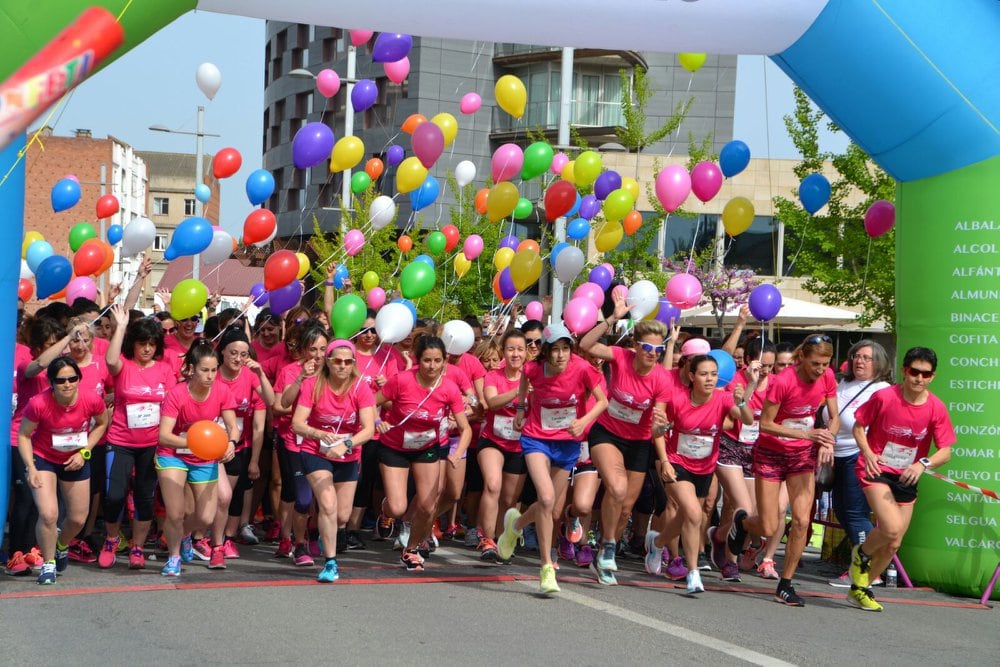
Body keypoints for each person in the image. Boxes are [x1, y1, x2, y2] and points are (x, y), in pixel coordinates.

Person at [497, 323, 608, 595]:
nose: (560, 355)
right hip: (536, 438)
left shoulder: (582, 368)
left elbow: (603, 401)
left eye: (565, 349)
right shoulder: (534, 369)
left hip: (568, 442)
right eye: (555, 350)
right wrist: (521, 410)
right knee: (546, 498)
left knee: (552, 507)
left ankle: (516, 525)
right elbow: (524, 385)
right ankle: (546, 566)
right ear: (546, 352)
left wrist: (583, 421)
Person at [728, 334, 838, 606]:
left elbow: (834, 418)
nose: (820, 369)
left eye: (825, 363)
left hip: (801, 457)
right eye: (815, 363)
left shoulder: (827, 377)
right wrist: (807, 435)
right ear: (801, 359)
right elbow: (765, 424)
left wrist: (828, 439)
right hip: (771, 454)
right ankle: (742, 522)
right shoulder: (784, 381)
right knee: (768, 525)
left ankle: (786, 584)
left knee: (801, 521)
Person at [847, 347, 955, 612]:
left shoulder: (936, 408)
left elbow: (946, 451)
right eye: (914, 372)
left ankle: (860, 589)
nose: (919, 378)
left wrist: (922, 464)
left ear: (932, 376)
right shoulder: (885, 397)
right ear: (904, 371)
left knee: (894, 543)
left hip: (907, 475)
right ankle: (861, 554)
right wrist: (869, 452)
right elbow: (859, 426)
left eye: (925, 374)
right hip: (876, 470)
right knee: (891, 527)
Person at [579, 292, 672, 585]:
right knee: (616, 489)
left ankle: (606, 552)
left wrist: (661, 427)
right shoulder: (621, 356)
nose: (652, 353)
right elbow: (585, 345)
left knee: (626, 507)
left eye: (658, 349)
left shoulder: (662, 379)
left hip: (639, 442)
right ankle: (607, 546)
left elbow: (658, 423)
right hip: (607, 432)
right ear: (635, 345)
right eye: (646, 346)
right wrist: (613, 317)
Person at [644, 355, 757, 594]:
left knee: (688, 515)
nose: (709, 379)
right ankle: (693, 573)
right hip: (676, 463)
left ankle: (657, 542)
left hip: (704, 468)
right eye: (704, 374)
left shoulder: (723, 398)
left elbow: (747, 420)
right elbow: (657, 431)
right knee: (694, 514)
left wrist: (743, 401)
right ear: (692, 376)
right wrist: (664, 460)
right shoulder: (677, 399)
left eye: (714, 375)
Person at [374, 335, 472, 572]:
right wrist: (378, 421)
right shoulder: (401, 380)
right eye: (427, 360)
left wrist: (457, 452)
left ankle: (412, 550)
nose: (432, 366)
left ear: (444, 361)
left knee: (428, 506)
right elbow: (370, 402)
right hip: (394, 446)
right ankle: (385, 512)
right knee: (399, 508)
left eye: (437, 361)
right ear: (418, 360)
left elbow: (465, 428)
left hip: (427, 448)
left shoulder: (449, 388)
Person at [18, 357, 108, 584]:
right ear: (51, 382)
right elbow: (24, 435)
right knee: (49, 514)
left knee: (77, 519)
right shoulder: (39, 403)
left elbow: (102, 423)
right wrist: (30, 467)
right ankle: (48, 564)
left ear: (79, 379)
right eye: (61, 380)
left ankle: (61, 545)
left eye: (72, 378)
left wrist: (85, 451)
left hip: (75, 459)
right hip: (44, 458)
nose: (67, 384)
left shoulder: (91, 400)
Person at [100, 305, 177, 570]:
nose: (146, 349)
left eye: (152, 344)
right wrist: (120, 326)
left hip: (152, 444)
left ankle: (138, 547)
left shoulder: (165, 370)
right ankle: (111, 539)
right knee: (115, 495)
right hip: (120, 441)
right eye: (142, 343)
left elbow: (173, 405)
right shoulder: (124, 366)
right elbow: (110, 361)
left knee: (145, 497)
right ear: (133, 344)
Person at [292, 339, 376, 582]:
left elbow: (368, 429)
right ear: (328, 362)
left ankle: (325, 531)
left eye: (347, 362)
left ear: (353, 364)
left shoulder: (361, 387)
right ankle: (330, 563)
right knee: (328, 504)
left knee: (342, 516)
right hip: (315, 451)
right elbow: (297, 423)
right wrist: (319, 434)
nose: (342, 366)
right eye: (337, 361)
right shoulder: (312, 385)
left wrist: (345, 444)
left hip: (348, 454)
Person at [157, 341, 240, 576]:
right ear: (192, 369)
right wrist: (195, 443)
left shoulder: (223, 391)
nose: (211, 375)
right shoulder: (177, 394)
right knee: (175, 512)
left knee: (205, 516)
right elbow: (164, 435)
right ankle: (173, 557)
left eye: (214, 370)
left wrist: (231, 444)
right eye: (205, 370)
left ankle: (183, 534)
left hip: (205, 457)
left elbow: (233, 427)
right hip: (173, 455)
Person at [825, 339, 893, 587]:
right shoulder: (844, 382)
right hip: (836, 455)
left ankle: (865, 569)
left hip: (859, 455)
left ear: (879, 363)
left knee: (855, 513)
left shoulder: (881, 390)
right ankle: (860, 561)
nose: (859, 361)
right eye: (856, 356)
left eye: (867, 358)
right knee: (842, 510)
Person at [711, 338, 775, 581]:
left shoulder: (777, 384)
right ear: (748, 361)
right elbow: (737, 414)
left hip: (757, 450)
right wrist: (750, 384)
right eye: (762, 365)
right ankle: (731, 562)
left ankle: (719, 536)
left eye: (770, 366)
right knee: (742, 507)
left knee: (752, 514)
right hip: (730, 446)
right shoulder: (733, 380)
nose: (766, 371)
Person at [209, 326, 275, 561]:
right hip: (206, 445)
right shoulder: (212, 373)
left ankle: (225, 539)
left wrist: (262, 375)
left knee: (232, 495)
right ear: (222, 353)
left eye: (244, 354)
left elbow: (270, 401)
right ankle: (200, 537)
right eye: (233, 353)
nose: (238, 359)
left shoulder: (249, 375)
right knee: (212, 495)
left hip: (237, 446)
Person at [274, 325, 330, 565]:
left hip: (324, 443)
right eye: (313, 349)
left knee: (321, 498)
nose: (318, 355)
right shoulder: (290, 371)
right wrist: (300, 378)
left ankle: (314, 534)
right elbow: (282, 404)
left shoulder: (333, 372)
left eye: (323, 349)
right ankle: (298, 544)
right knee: (302, 497)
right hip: (294, 442)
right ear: (304, 350)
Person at [476, 330, 528, 562]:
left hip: (519, 445)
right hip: (492, 441)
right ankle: (486, 539)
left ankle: (500, 539)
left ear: (526, 352)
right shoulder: (494, 376)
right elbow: (492, 402)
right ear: (503, 351)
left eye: (520, 349)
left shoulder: (534, 377)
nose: (515, 354)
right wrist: (519, 391)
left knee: (509, 500)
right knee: (492, 485)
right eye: (510, 349)